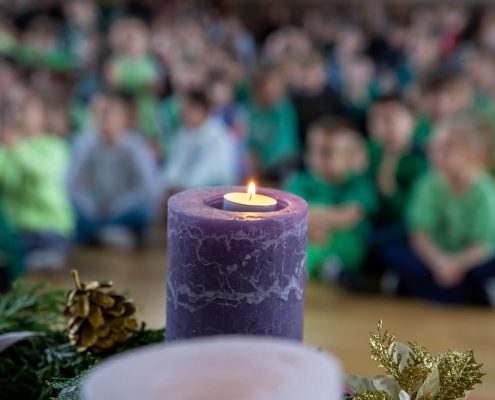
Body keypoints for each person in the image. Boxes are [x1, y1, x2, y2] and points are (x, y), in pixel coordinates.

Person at [383, 115, 495, 305]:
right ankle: (464, 293)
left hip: (469, 261)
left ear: (473, 154)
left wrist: (456, 264)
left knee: (485, 268)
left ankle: (431, 289)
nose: (436, 154)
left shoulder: (486, 192)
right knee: (391, 251)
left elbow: (483, 245)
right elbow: (419, 234)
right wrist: (439, 262)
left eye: (447, 148)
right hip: (434, 258)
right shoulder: (427, 184)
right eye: (434, 148)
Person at [284, 116, 376, 283]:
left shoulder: (356, 184)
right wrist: (311, 226)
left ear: (348, 157)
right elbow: (290, 214)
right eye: (312, 149)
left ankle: (320, 268)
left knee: (347, 243)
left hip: (341, 238)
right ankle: (319, 268)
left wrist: (314, 218)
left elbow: (349, 216)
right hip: (307, 235)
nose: (315, 157)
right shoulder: (300, 181)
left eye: (327, 152)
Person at [69, 90, 157, 249]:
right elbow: (72, 183)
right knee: (75, 215)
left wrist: (116, 206)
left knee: (143, 213)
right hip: (96, 209)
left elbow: (148, 188)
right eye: (102, 115)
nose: (106, 120)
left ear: (124, 119)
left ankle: (100, 234)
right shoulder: (88, 144)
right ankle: (105, 234)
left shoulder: (135, 146)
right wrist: (89, 206)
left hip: (122, 209)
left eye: (111, 115)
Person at [0, 90, 74, 269]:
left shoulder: (55, 147)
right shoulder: (8, 149)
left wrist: (16, 148)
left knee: (26, 260)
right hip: (17, 230)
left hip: (48, 229)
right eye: (18, 109)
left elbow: (40, 171)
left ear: (44, 117)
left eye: (26, 109)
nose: (20, 115)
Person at [367, 95, 428, 246]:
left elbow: (413, 211)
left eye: (393, 118)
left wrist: (388, 185)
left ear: (413, 121)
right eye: (378, 120)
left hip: (407, 224)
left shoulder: (422, 159)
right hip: (374, 222)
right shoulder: (367, 154)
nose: (387, 127)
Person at [161, 89, 237, 195]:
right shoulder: (183, 133)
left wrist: (181, 189)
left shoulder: (218, 135)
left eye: (191, 108)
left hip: (211, 191)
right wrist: (169, 185)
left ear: (204, 110)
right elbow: (174, 165)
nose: (185, 113)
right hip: (182, 189)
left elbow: (209, 172)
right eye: (184, 109)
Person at [247, 66, 300, 181]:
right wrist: (253, 158)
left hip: (284, 163)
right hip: (262, 166)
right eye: (268, 89)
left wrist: (265, 163)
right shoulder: (252, 114)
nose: (274, 93)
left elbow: (284, 144)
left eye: (277, 88)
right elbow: (251, 142)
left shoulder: (283, 110)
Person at [292, 52, 345, 157]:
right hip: (304, 149)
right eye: (306, 73)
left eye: (315, 71)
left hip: (332, 146)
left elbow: (342, 124)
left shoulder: (334, 97)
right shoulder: (294, 100)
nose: (310, 76)